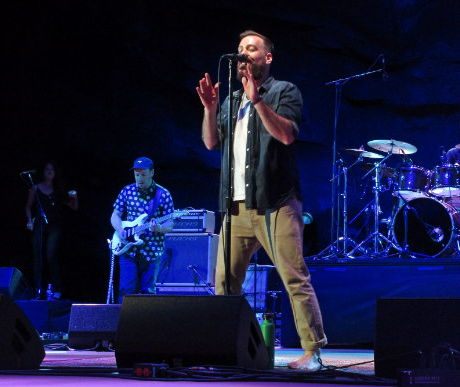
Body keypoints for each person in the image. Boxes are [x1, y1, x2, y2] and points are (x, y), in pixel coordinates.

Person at [197, 30, 327, 371]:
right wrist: (211, 108)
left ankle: (312, 352)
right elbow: (212, 143)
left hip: (276, 203)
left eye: (251, 49)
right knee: (224, 283)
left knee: (293, 278)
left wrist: (258, 100)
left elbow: (286, 134)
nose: (243, 54)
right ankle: (224, 350)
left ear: (266, 58)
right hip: (236, 207)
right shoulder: (230, 101)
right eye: (240, 49)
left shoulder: (283, 91)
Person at [110, 157, 174, 302]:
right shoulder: (127, 191)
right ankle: (124, 324)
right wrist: (120, 230)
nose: (139, 179)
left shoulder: (163, 194)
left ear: (152, 173)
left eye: (143, 175)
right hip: (128, 249)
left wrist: (158, 228)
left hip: (152, 251)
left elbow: (170, 223)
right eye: (137, 175)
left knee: (148, 295)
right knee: (126, 291)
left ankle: (145, 325)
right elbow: (115, 215)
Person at [25, 161, 78, 300]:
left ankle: (57, 289)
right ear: (43, 172)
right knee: (37, 257)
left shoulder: (58, 189)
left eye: (52, 169)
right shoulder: (35, 188)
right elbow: (28, 206)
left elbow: (73, 207)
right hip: (40, 225)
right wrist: (29, 221)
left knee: (51, 255)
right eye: (47, 169)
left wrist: (74, 198)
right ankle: (37, 289)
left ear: (55, 173)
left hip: (54, 225)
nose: (49, 171)